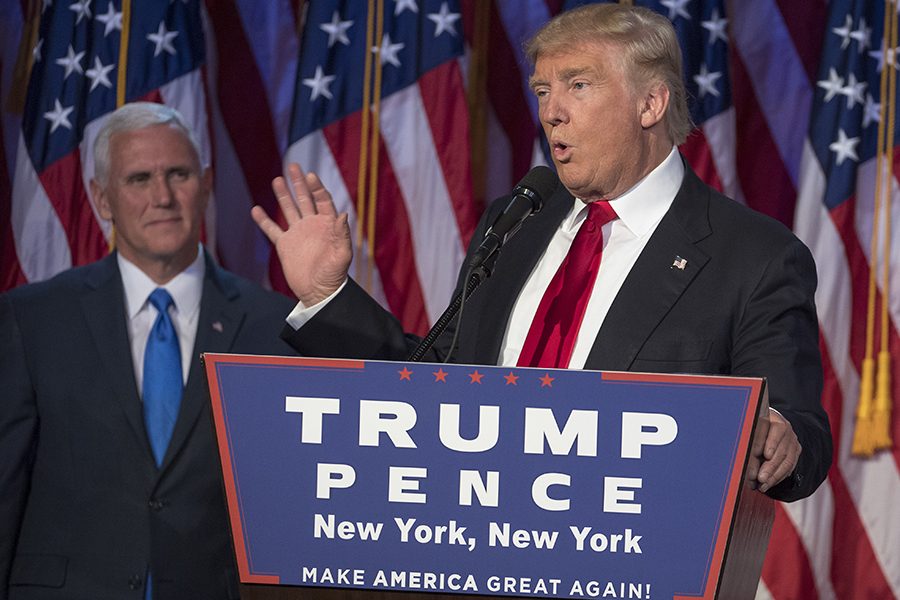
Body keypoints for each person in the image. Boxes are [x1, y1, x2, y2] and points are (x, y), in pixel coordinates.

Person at [252, 4, 831, 502]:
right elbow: (435, 394)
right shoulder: (518, 222)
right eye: (543, 90)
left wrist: (778, 433)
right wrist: (327, 297)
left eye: (578, 85)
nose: (552, 110)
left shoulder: (753, 255)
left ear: (650, 104)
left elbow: (797, 424)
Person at [0, 102, 297, 599]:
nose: (162, 196)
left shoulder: (274, 326)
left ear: (205, 184)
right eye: (138, 179)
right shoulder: (34, 318)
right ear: (102, 199)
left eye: (178, 174)